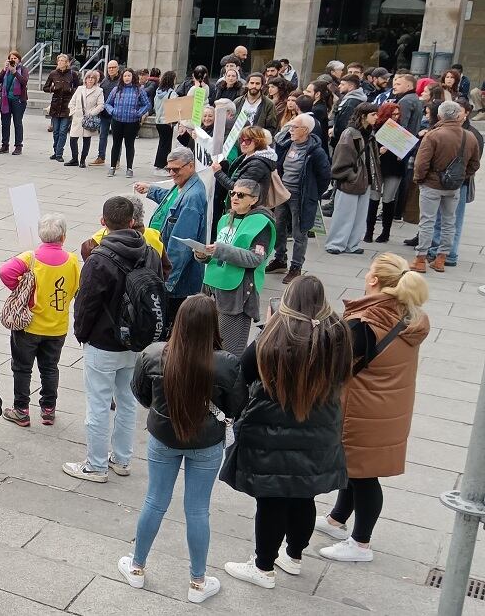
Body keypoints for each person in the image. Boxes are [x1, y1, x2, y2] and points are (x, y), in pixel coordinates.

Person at [222, 275, 352, 589]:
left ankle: (263, 566)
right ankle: (293, 556)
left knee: (271, 500)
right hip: (320, 429)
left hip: (273, 432)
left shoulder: (276, 334)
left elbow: (242, 372)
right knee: (304, 495)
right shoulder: (338, 334)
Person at [120, 295, 244, 603]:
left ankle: (137, 567)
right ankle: (198, 582)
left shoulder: (153, 355)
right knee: (198, 509)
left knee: (155, 500)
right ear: (213, 325)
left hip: (164, 438)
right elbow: (236, 406)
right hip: (206, 443)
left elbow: (142, 395)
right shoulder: (227, 364)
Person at [315, 253, 429, 563]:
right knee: (356, 468)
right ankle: (337, 519)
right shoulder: (406, 313)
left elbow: (333, 362)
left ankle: (360, 544)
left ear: (375, 280)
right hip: (385, 407)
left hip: (364, 409)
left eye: (369, 271)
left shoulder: (368, 322)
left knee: (364, 476)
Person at [64, 197, 164, 483]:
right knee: (127, 401)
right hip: (136, 341)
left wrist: (82, 334)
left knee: (98, 404)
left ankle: (95, 465)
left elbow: (86, 303)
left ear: (103, 222)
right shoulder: (150, 253)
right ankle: (122, 459)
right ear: (133, 221)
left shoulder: (99, 258)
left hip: (103, 341)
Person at [0, 214, 80, 427]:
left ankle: (21, 410)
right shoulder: (72, 260)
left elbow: (5, 272)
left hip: (29, 326)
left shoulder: (30, 258)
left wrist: (22, 290)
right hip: (57, 326)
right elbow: (76, 288)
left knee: (22, 368)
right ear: (63, 237)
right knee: (50, 368)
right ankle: (48, 409)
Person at [194, 178, 275, 355]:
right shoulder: (225, 218)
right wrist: (204, 255)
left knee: (230, 350)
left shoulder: (261, 223)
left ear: (254, 199)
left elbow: (255, 258)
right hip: (213, 289)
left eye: (241, 195)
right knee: (209, 346)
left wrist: (220, 250)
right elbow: (219, 255)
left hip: (237, 294)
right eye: (233, 193)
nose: (235, 197)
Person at [137, 148, 209, 327]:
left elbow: (181, 246)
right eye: (168, 169)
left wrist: (167, 282)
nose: (171, 173)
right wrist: (151, 190)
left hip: (176, 280)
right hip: (166, 268)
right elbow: (170, 199)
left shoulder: (193, 197)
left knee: (169, 324)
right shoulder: (183, 185)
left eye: (175, 170)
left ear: (191, 166)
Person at [410, 101, 479, 272]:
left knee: (427, 221)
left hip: (431, 184)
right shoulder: (469, 136)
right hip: (453, 186)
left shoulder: (433, 135)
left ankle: (420, 259)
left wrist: (419, 179)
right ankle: (441, 258)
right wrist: (462, 176)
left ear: (440, 116)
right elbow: (474, 164)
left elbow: (421, 163)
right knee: (450, 222)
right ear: (458, 116)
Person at [267, 114, 329, 284]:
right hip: (283, 194)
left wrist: (312, 194)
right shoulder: (288, 144)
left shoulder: (316, 152)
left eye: (295, 127)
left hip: (300, 197)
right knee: (278, 227)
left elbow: (325, 176)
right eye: (291, 126)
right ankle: (280, 259)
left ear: (306, 130)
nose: (291, 130)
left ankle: (296, 267)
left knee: (298, 233)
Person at [324, 103, 381, 255]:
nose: (377, 117)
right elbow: (341, 159)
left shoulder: (369, 132)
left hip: (365, 179)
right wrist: (350, 175)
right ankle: (336, 243)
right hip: (352, 179)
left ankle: (352, 244)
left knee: (359, 216)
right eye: (373, 114)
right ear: (363, 116)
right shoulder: (350, 133)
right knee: (344, 213)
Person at [367, 102, 406, 243]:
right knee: (373, 198)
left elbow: (407, 148)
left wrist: (403, 155)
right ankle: (368, 231)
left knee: (388, 200)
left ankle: (385, 233)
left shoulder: (401, 129)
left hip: (394, 169)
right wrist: (379, 151)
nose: (396, 117)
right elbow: (368, 150)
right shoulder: (375, 128)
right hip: (378, 167)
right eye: (393, 114)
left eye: (397, 114)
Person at [105, 68, 151, 177]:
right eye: (125, 76)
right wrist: (113, 111)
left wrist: (139, 113)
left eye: (129, 76)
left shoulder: (139, 90)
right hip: (117, 121)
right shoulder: (116, 89)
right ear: (122, 77)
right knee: (116, 144)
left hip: (132, 122)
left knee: (129, 145)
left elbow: (147, 104)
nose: (127, 78)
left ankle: (129, 168)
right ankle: (112, 167)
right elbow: (107, 103)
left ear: (133, 77)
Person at [43, 54, 81, 162]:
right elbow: (45, 88)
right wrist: (53, 88)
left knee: (63, 131)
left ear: (67, 63)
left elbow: (78, 88)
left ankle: (59, 153)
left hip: (67, 105)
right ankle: (56, 151)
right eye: (59, 60)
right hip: (55, 105)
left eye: (63, 61)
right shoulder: (53, 73)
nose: (60, 62)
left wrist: (70, 90)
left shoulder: (72, 74)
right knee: (56, 131)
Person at [66, 70, 104, 168]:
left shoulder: (99, 90)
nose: (90, 80)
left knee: (86, 139)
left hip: (89, 118)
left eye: (93, 78)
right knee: (73, 138)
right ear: (85, 79)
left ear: (95, 80)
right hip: (77, 117)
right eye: (88, 77)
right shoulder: (80, 89)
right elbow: (72, 102)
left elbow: (101, 105)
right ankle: (74, 159)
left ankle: (82, 160)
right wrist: (73, 112)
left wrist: (91, 113)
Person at [0, 50, 28, 156]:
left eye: (15, 58)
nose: (12, 60)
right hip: (6, 100)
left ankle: (18, 146)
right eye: (11, 58)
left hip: (18, 100)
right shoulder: (7, 70)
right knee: (5, 123)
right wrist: (4, 70)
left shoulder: (23, 69)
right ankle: (5, 145)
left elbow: (24, 82)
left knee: (17, 123)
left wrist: (14, 71)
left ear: (19, 60)